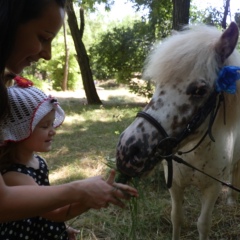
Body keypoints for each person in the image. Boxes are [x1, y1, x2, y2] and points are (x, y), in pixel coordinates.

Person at [0, 0, 138, 223]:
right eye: (43, 38)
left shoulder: (38, 164)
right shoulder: (16, 175)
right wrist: (79, 190)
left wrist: (87, 196)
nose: (48, 54)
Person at [0, 77, 81, 239]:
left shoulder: (39, 162)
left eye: (52, 124)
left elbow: (46, 202)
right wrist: (88, 197)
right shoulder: (15, 176)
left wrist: (60, 229)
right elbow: (56, 212)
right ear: (19, 131)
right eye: (44, 126)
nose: (53, 131)